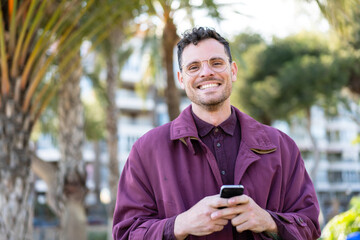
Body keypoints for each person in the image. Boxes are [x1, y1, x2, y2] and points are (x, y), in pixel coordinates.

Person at [112, 27, 321, 240]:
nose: (206, 73)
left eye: (216, 63)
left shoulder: (281, 146)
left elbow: (310, 225)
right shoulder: (147, 150)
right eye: (193, 67)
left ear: (233, 71)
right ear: (181, 79)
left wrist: (269, 221)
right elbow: (126, 234)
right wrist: (180, 224)